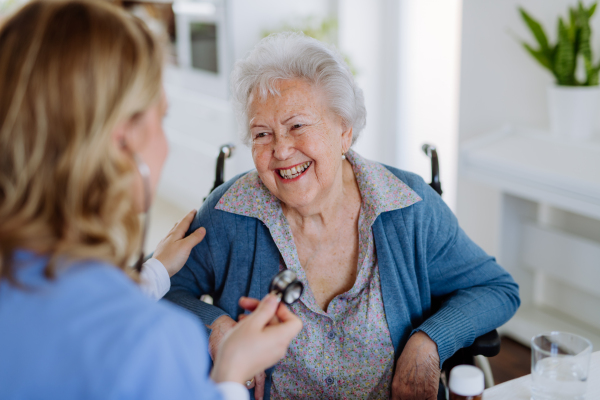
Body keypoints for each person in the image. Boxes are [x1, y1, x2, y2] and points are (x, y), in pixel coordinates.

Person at [165, 32, 521, 400]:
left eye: (298, 125)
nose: (282, 149)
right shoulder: (230, 213)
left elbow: (496, 289)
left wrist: (429, 342)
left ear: (344, 131)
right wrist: (216, 326)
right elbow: (162, 290)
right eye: (262, 134)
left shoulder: (409, 206)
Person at [0, 2, 302, 399]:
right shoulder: (152, 344)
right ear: (121, 142)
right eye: (162, 118)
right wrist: (230, 376)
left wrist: (155, 271)